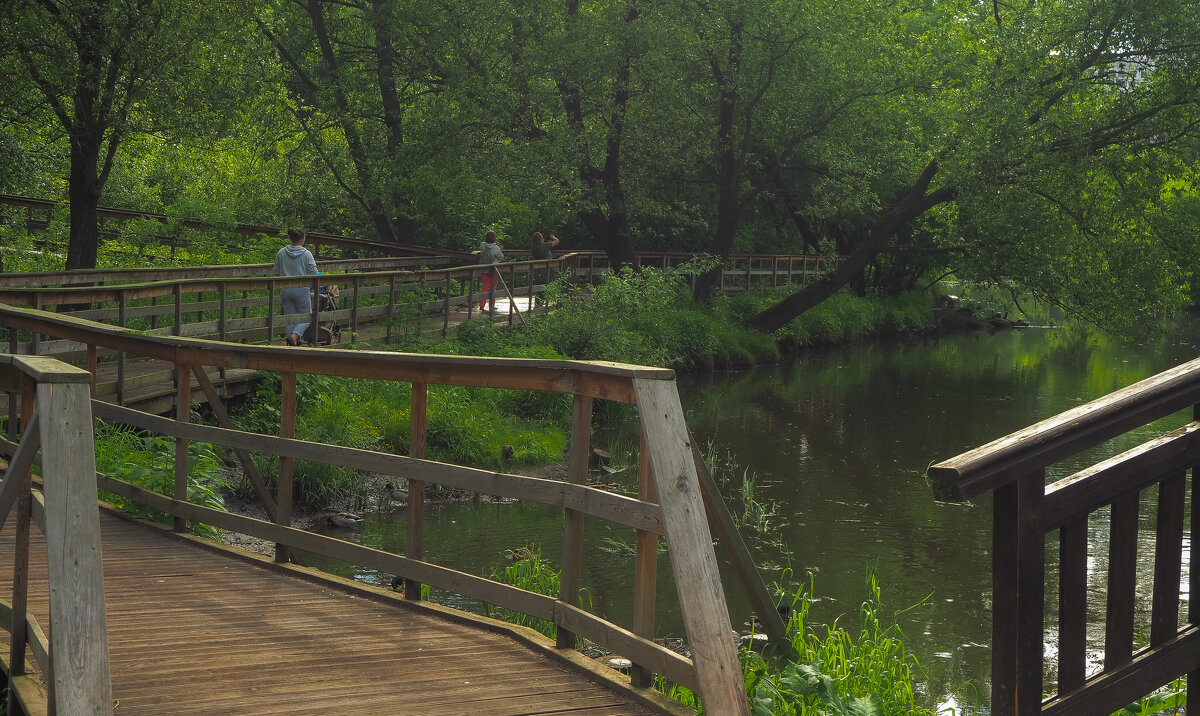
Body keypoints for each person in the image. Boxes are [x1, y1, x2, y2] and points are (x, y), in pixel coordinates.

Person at [273, 227, 319, 346]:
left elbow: (276, 272)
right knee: (307, 316)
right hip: (301, 289)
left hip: (285, 289)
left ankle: (291, 343)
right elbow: (314, 273)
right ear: (303, 238)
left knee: (289, 318)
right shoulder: (306, 254)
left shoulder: (281, 252)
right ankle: (294, 337)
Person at [478, 230, 504, 310]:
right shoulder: (496, 248)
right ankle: (491, 305)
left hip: (483, 268)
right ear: (494, 239)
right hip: (493, 269)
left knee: (484, 286)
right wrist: (500, 250)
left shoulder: (482, 245)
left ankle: (482, 304)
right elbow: (501, 258)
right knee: (493, 286)